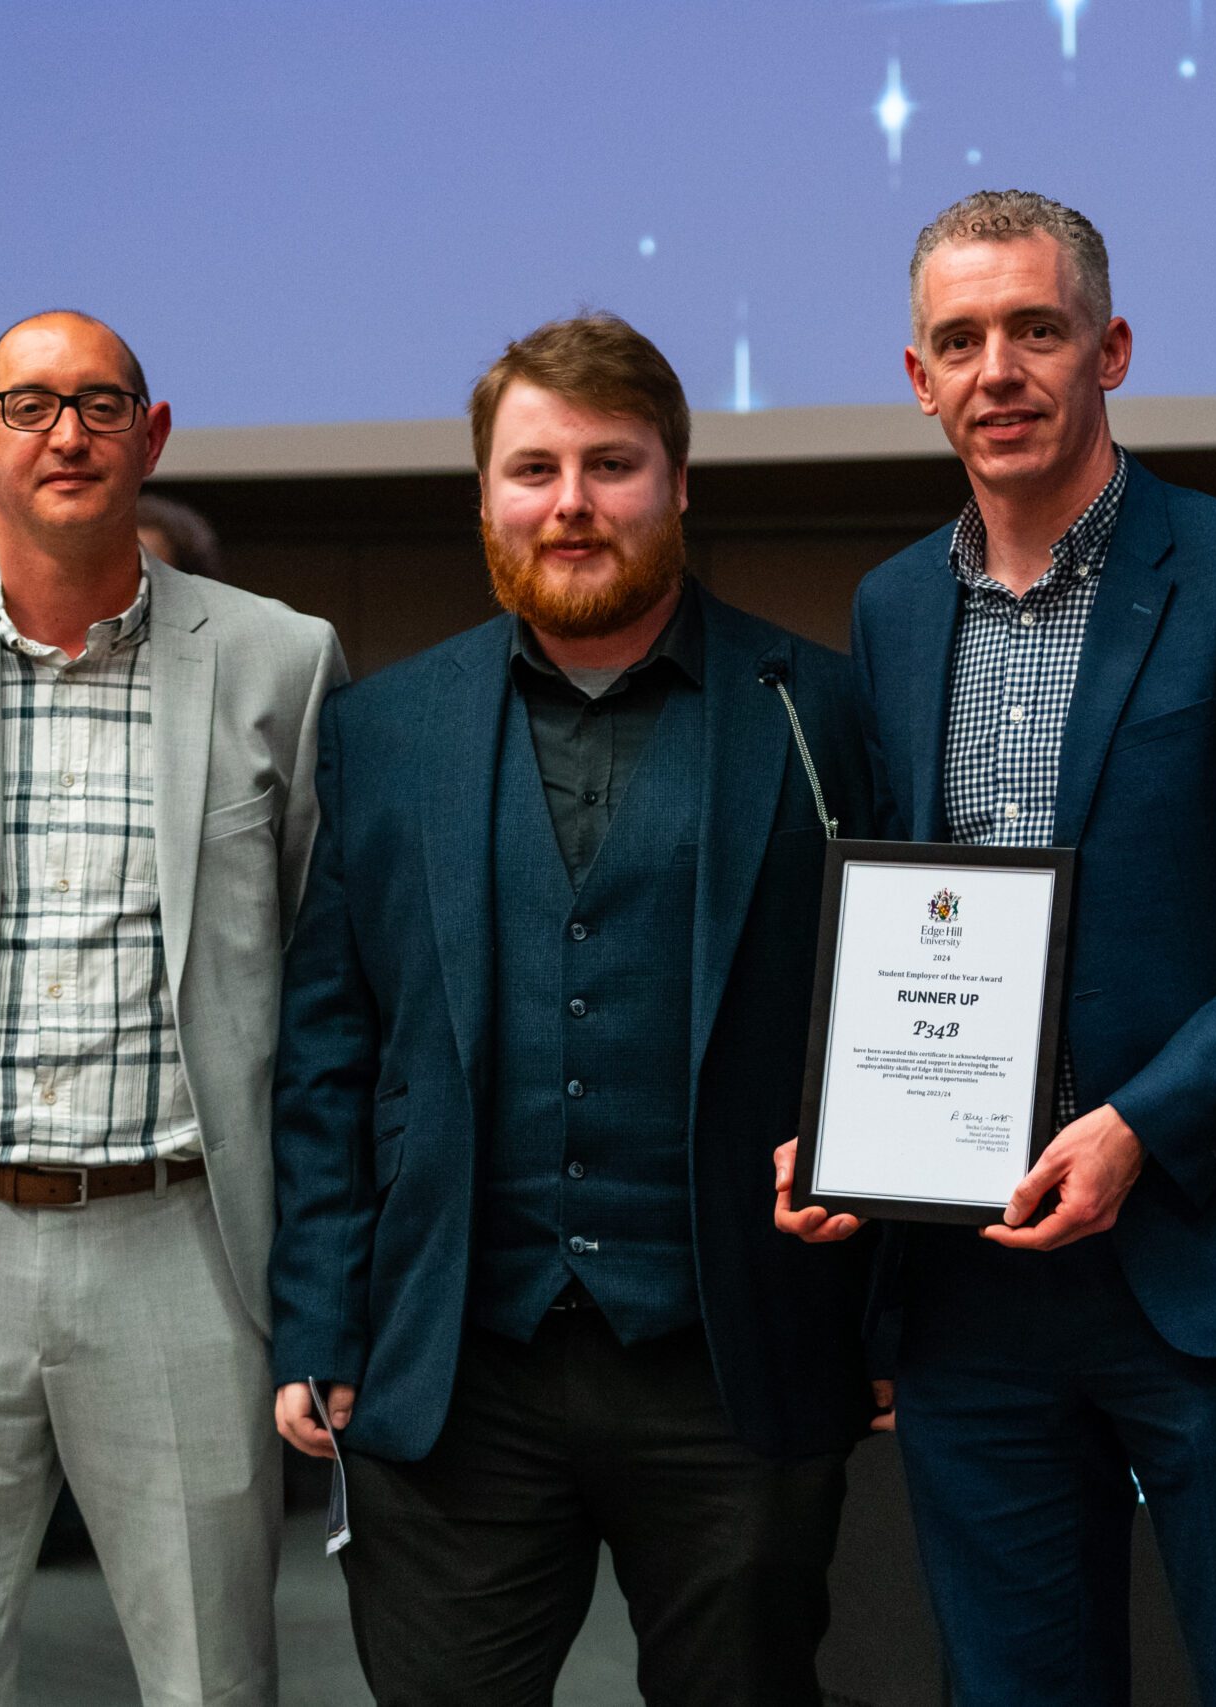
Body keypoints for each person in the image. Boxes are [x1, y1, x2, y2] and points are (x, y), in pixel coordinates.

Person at [779, 191, 1216, 1706]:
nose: (997, 369)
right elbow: (895, 926)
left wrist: (1141, 1125)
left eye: (1036, 330)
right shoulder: (890, 611)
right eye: (961, 340)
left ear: (1111, 349)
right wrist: (846, 1134)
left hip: (1209, 1255)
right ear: (917, 377)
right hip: (968, 1281)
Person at [270, 313, 878, 1707]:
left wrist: (887, 1314)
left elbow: (889, 1021)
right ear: (484, 497)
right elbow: (327, 1050)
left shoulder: (821, 713)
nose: (572, 504)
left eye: (613, 465)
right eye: (534, 468)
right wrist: (320, 1316)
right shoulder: (385, 731)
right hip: (454, 1368)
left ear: (678, 483)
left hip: (735, 1359)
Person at [0, 309, 347, 1706]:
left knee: (216, 1683)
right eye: (31, 404)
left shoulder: (283, 660)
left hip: (181, 1248)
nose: (69, 431)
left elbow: (311, 945)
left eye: (104, 404)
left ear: (151, 439)